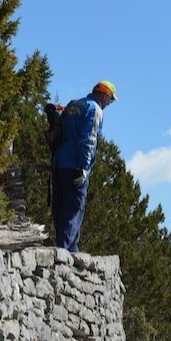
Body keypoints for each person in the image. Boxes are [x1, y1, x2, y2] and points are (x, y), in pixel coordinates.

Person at [51, 80, 116, 252]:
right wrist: (85, 168)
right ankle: (66, 253)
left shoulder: (74, 105)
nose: (109, 104)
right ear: (104, 95)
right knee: (73, 209)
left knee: (60, 208)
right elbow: (89, 140)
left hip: (58, 163)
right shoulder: (95, 109)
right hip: (75, 166)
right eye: (111, 100)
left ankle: (64, 249)